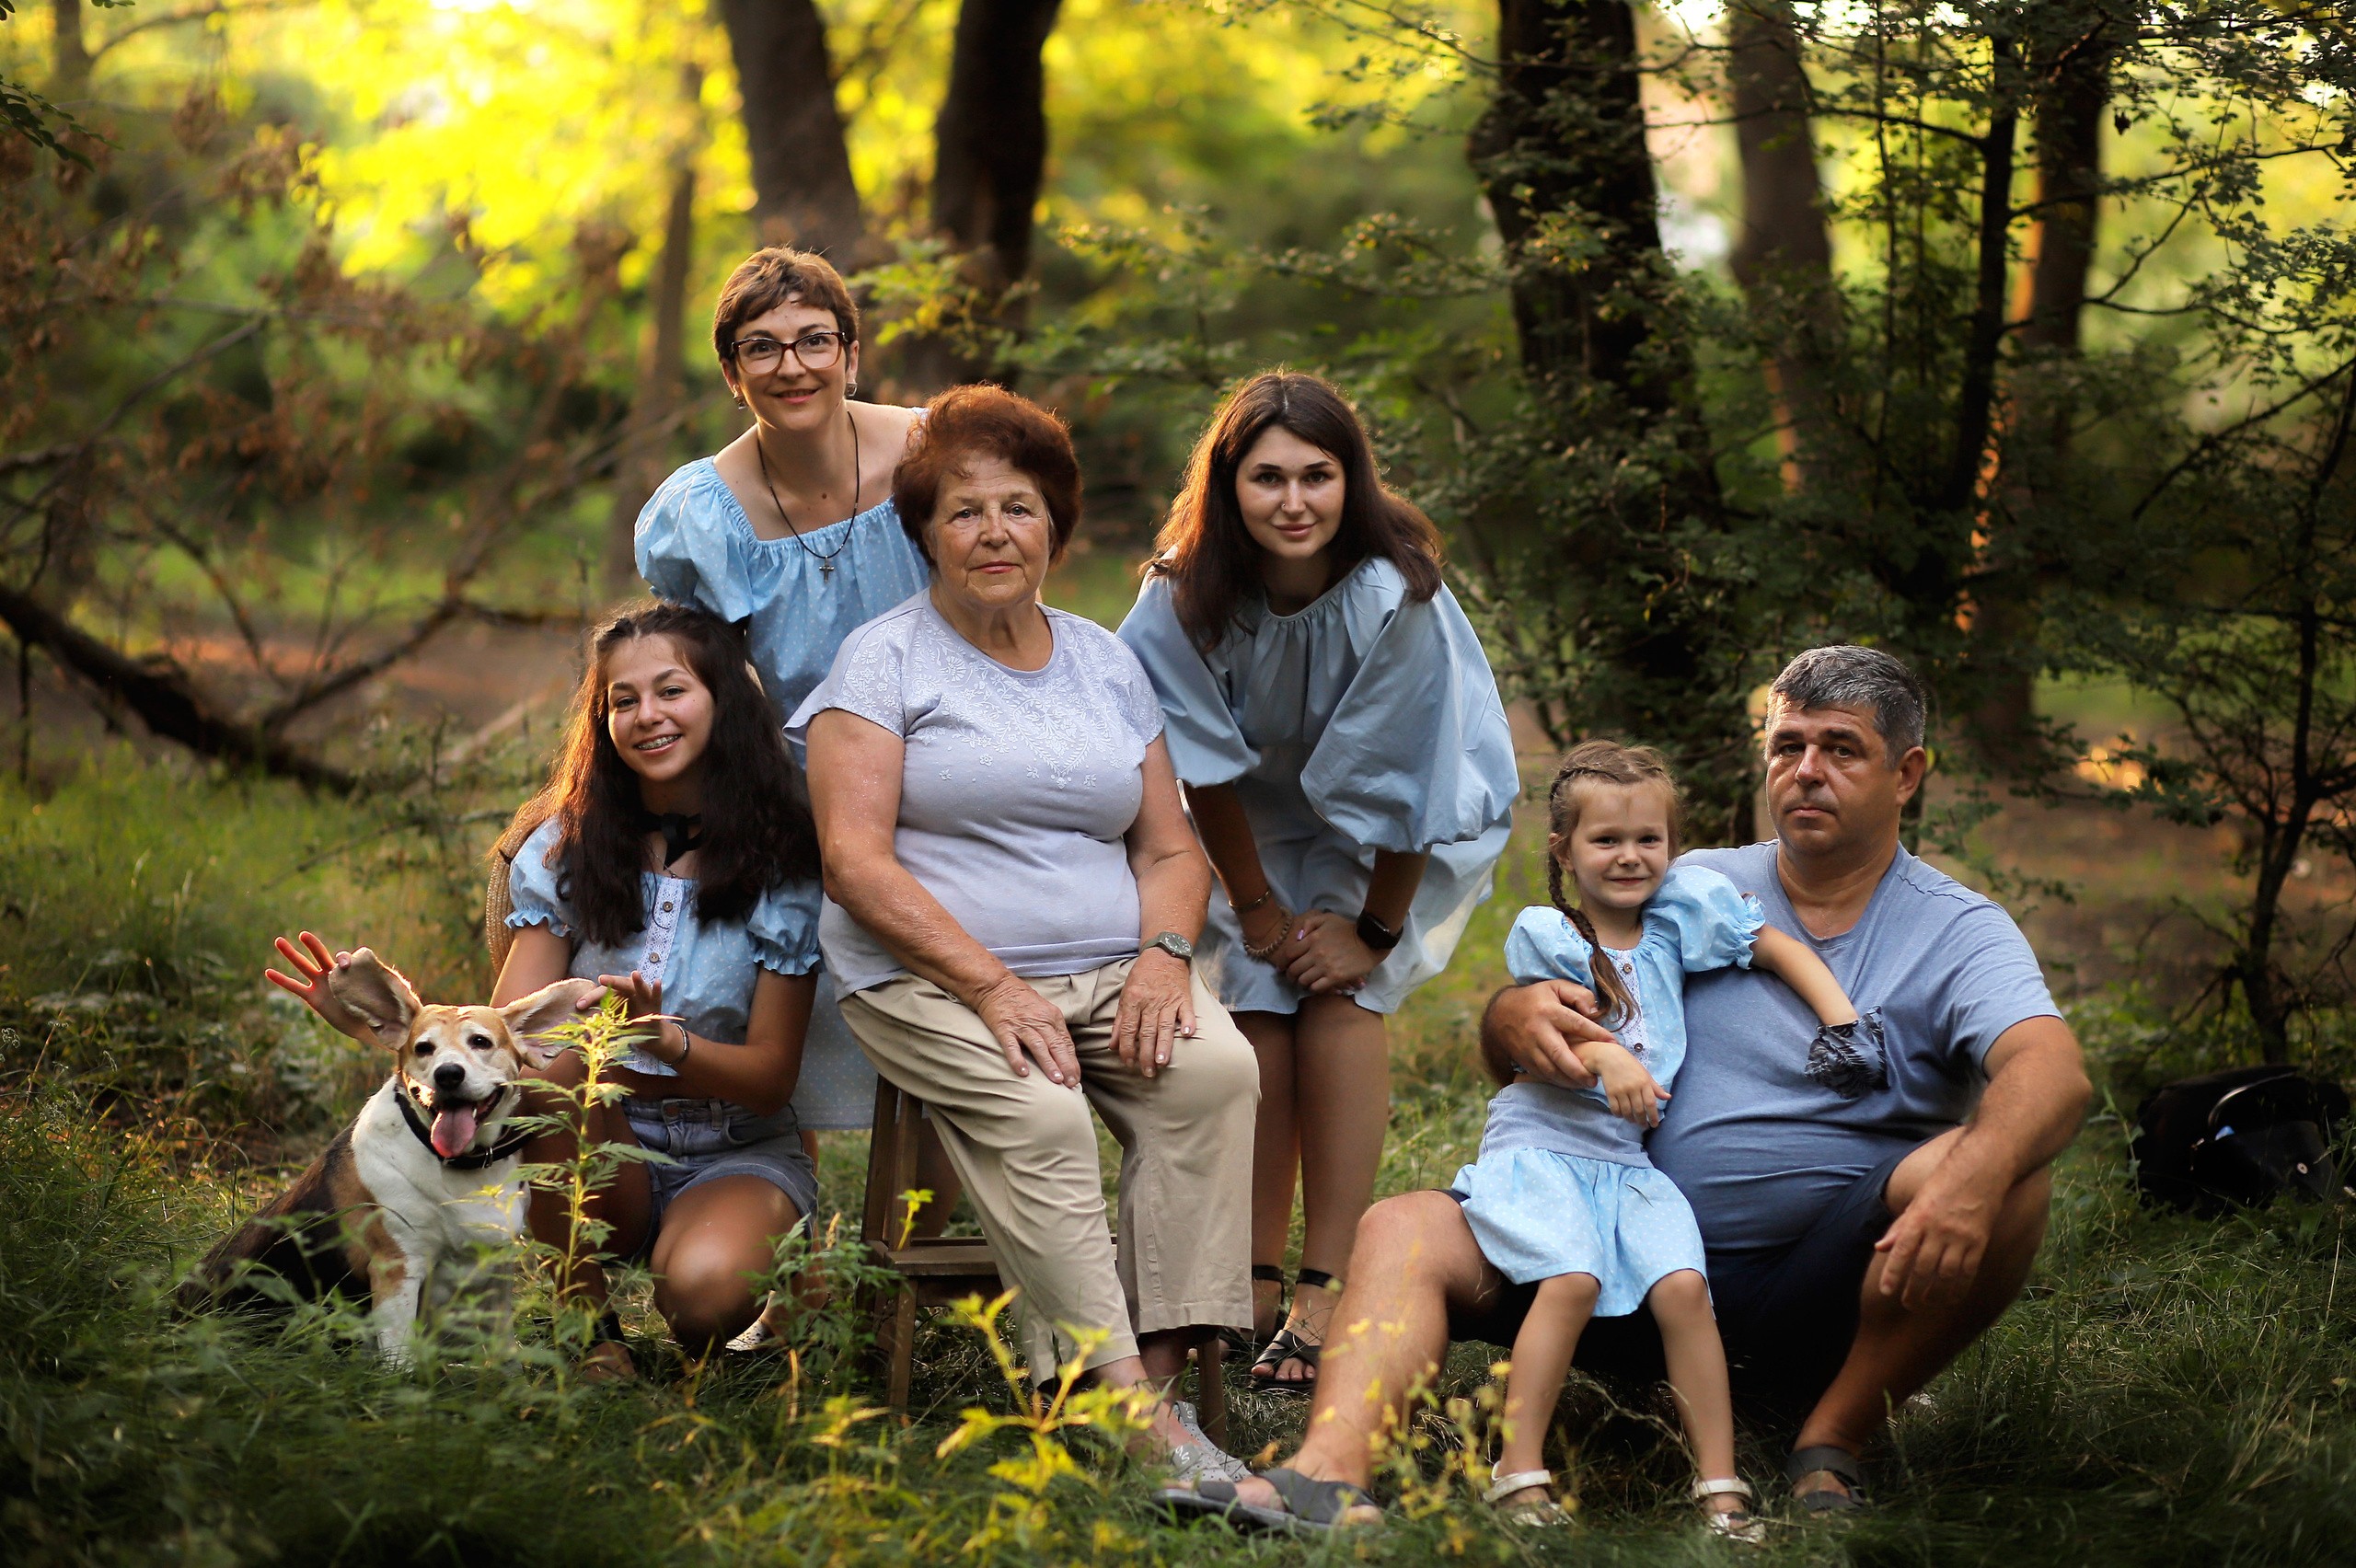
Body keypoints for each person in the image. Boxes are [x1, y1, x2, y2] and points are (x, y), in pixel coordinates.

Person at [1167, 645, 2090, 1534]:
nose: (1806, 771)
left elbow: (2052, 1071)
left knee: (2004, 1170)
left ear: (1906, 773)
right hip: (1607, 1240)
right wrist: (1515, 1017)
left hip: (1821, 1281)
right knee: (1404, 1227)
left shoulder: (1955, 931)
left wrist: (1972, 1176)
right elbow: (1543, 1007)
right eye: (1787, 746)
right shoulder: (1686, 883)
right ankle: (1328, 1478)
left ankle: (1830, 1437)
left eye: (1840, 749)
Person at [791, 384, 1262, 1480]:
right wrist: (996, 988)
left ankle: (1137, 1376)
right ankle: (1138, 1420)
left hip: (1111, 971)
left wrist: (1161, 960)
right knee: (1045, 1119)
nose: (993, 533)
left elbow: (1171, 850)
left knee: (1214, 1075)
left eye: (1018, 507)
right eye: (963, 512)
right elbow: (853, 862)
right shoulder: (884, 661)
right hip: (930, 984)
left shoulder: (1103, 659)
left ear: (1055, 523)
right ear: (924, 535)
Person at [272, 599, 830, 1378]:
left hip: (734, 1148)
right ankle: (586, 1322)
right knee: (552, 1068)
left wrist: (669, 1044)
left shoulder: (784, 865)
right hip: (602, 1143)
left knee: (702, 1305)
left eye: (672, 691)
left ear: (722, 702)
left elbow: (772, 1080)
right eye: (622, 701)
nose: (646, 716)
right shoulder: (564, 847)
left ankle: (785, 1265)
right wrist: (390, 1028)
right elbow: (503, 1040)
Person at [1115, 371, 1517, 1394]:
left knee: (1333, 1002)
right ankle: (1248, 1276)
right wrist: (1251, 907)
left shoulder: (1398, 596)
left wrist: (1371, 934)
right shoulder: (1182, 592)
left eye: (1317, 476)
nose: (1293, 502)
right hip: (1232, 830)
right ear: (1228, 485)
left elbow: (1412, 782)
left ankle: (1323, 1284)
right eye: (1266, 479)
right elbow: (1192, 766)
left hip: (1375, 835)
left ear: (1351, 482)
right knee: (1256, 1012)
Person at [1450, 741, 1865, 1539]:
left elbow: (1772, 947)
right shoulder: (1551, 932)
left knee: (1682, 1288)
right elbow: (1561, 1036)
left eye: (1650, 838)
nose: (1631, 856)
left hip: (1624, 1162)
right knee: (1569, 1280)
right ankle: (1517, 1472)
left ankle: (1720, 1491)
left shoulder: (1679, 921)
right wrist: (1608, 1058)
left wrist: (1840, 1018)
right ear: (1564, 851)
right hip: (1544, 1150)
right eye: (1606, 840)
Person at [632, 244, 955, 1253]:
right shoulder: (697, 512)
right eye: (760, 347)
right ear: (733, 374)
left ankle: (920, 1253)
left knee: (950, 1006)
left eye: (815, 340)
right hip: (796, 786)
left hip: (952, 767)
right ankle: (803, 1254)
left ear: (851, 355)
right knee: (789, 996)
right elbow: (699, 680)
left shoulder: (926, 455)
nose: (791, 366)